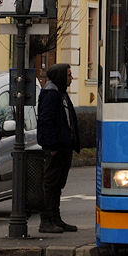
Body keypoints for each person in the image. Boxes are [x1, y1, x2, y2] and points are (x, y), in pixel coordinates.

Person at [35, 63, 80, 234]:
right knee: (51, 184)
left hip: (63, 146)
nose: (71, 78)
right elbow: (46, 122)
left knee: (58, 185)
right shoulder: (50, 94)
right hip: (56, 148)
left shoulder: (60, 93)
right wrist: (51, 145)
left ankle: (56, 218)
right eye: (69, 74)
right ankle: (46, 220)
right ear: (61, 76)